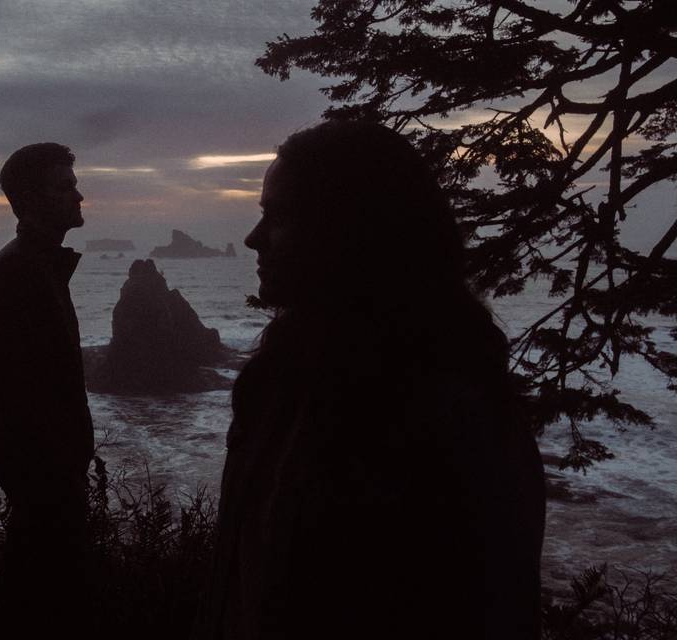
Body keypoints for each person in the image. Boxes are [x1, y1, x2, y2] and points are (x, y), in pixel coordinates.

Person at [194, 121, 545, 639]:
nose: (252, 239)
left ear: (349, 231)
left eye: (278, 216)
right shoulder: (278, 381)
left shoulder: (448, 414)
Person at [0, 142, 94, 633]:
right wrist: (58, 475)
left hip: (49, 477)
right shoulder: (20, 273)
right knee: (37, 609)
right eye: (64, 187)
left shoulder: (37, 266)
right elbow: (28, 395)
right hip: (44, 481)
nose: (79, 195)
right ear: (30, 198)